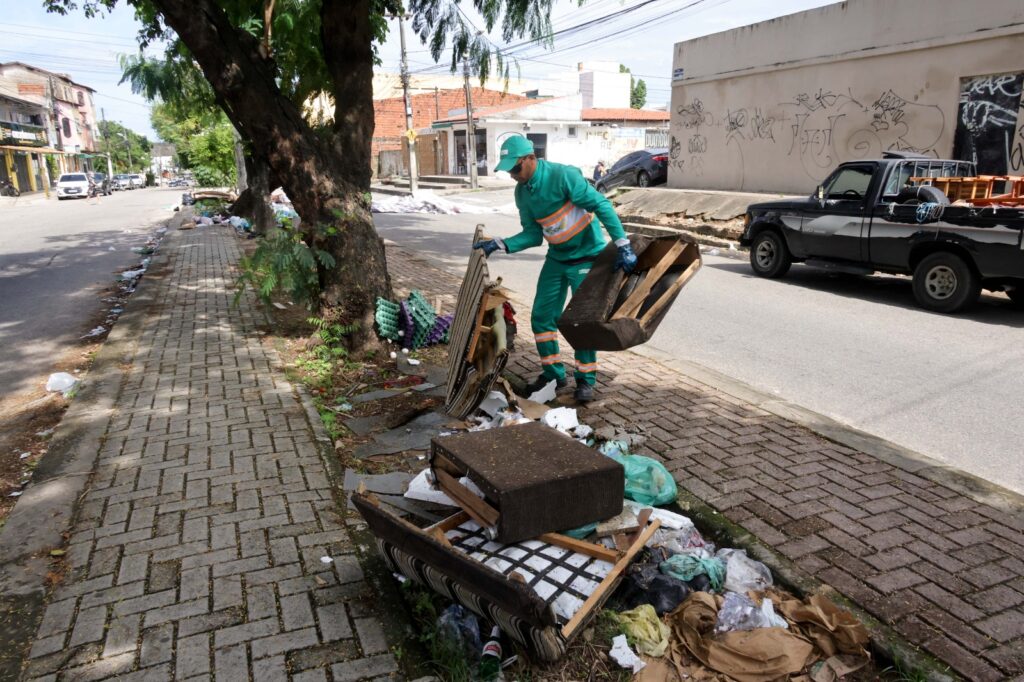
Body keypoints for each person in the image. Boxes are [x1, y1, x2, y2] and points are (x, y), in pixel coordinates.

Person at [473, 136, 637, 403]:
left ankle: (585, 379)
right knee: (541, 316)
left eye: (515, 168)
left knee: (580, 321)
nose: (513, 175)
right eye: (509, 171)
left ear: (531, 159)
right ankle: (553, 374)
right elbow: (533, 235)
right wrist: (501, 243)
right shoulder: (522, 193)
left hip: (587, 256)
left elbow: (601, 205)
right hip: (558, 258)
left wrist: (622, 243)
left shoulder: (563, 176)